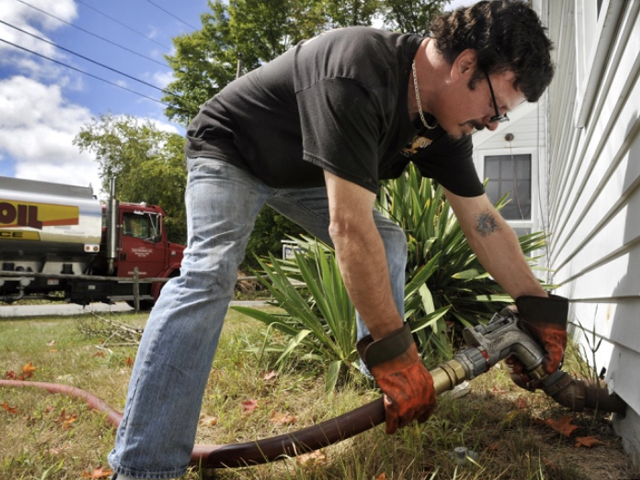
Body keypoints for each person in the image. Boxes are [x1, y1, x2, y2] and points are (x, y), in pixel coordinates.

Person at [109, 1, 568, 478]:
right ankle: (144, 465)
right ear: (466, 64)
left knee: (387, 241)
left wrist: (537, 306)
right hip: (231, 149)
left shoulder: (442, 125)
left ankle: (387, 382)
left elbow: (482, 220)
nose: (494, 123)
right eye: (496, 107)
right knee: (208, 275)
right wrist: (398, 351)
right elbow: (348, 227)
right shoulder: (359, 72)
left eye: (503, 118)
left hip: (302, 172)